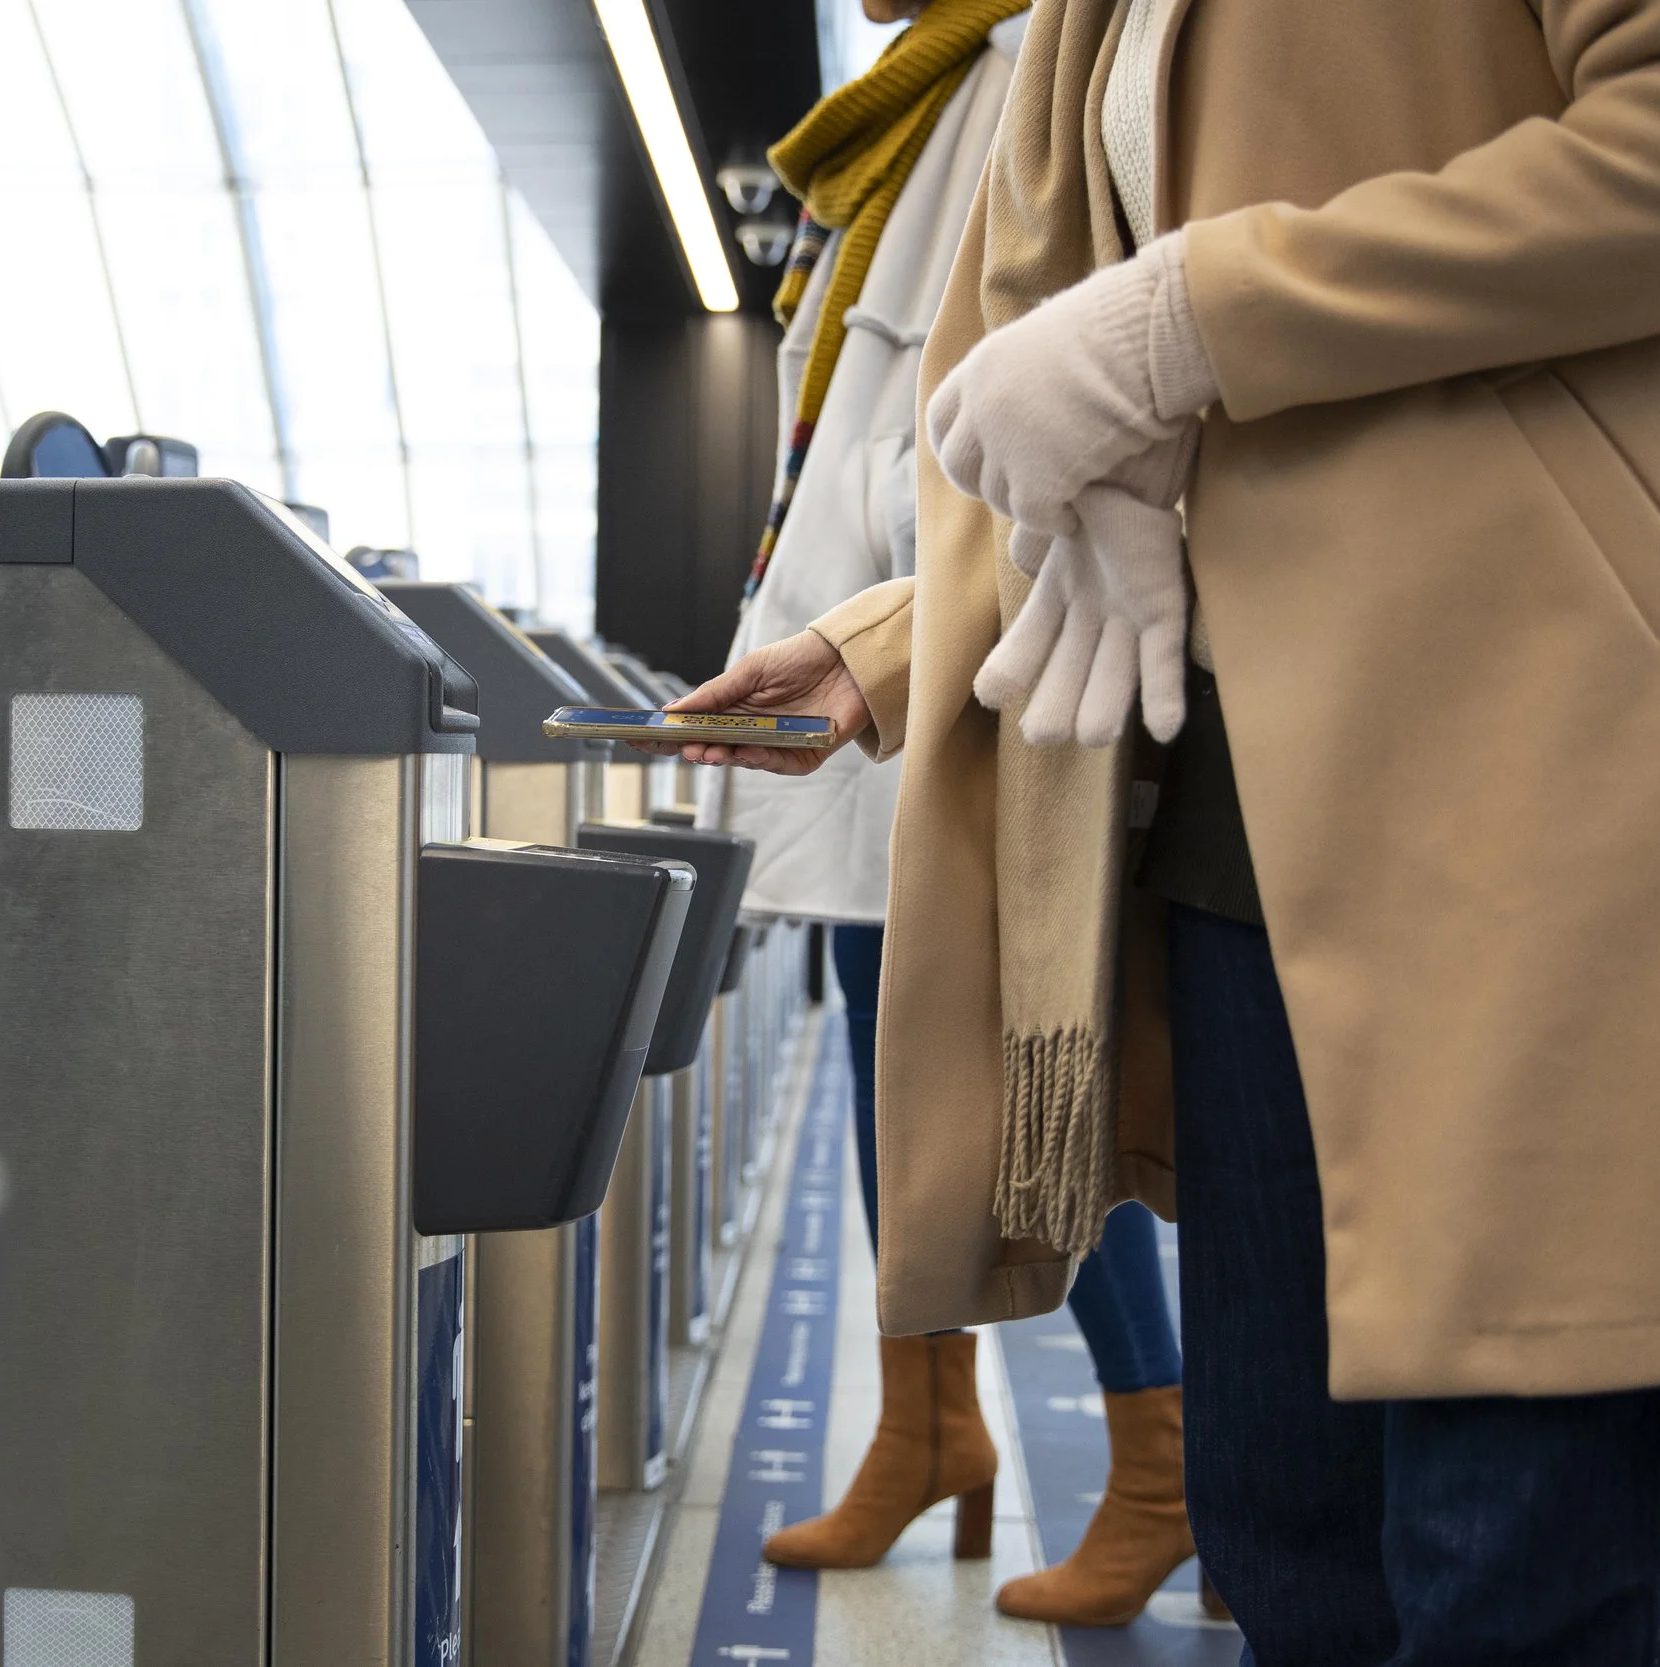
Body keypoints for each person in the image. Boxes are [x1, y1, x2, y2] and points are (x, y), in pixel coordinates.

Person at [656, 0, 1660, 1657]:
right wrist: (892, 642)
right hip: (1241, 828)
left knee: (1528, 1573)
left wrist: (1188, 319)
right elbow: (1164, 446)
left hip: (1540, 784)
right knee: (1298, 1556)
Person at [719, 0, 1204, 1629]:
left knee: (1027, 1089)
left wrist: (888, 594)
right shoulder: (917, 93)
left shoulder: (1026, 67)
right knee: (896, 1071)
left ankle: (1165, 1456)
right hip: (873, 636)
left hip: (957, 630)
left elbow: (987, 372)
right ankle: (928, 1428)